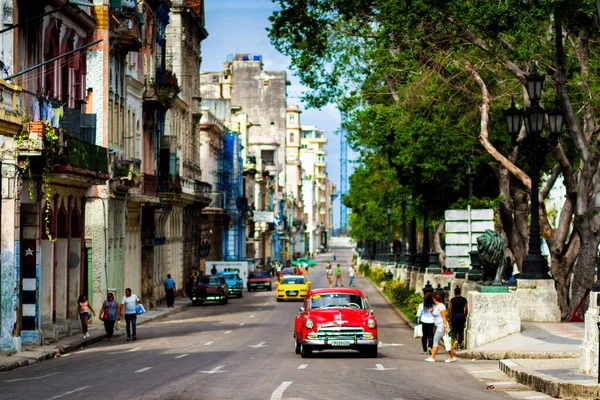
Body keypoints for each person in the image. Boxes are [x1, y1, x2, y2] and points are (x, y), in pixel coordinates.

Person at [425, 292, 457, 363]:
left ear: (433, 298)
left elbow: (443, 317)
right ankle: (452, 357)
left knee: (435, 341)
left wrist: (445, 327)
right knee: (446, 341)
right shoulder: (436, 306)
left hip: (442, 326)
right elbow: (437, 316)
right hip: (440, 326)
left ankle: (432, 357)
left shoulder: (441, 306)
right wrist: (431, 312)